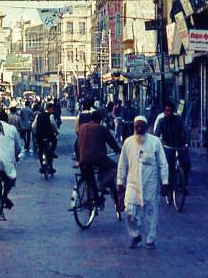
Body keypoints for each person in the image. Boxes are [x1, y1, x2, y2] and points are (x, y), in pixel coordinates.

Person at [117, 116, 169, 250]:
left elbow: (163, 163)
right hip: (132, 184)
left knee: (151, 213)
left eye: (142, 126)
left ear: (146, 127)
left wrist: (165, 182)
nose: (139, 129)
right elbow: (122, 164)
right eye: (137, 127)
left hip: (150, 184)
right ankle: (135, 235)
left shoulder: (155, 142)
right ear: (134, 127)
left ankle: (150, 239)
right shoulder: (128, 143)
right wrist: (119, 182)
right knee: (129, 211)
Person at [76, 110, 121, 201]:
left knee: (89, 175)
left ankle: (93, 196)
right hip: (99, 158)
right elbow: (112, 143)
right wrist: (119, 151)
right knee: (117, 168)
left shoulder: (81, 127)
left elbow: (77, 144)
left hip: (83, 158)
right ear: (100, 120)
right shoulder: (101, 128)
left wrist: (79, 157)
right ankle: (102, 184)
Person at [154, 101, 192, 192]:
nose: (169, 112)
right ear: (164, 111)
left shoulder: (178, 119)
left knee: (186, 164)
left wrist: (186, 143)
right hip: (168, 146)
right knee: (166, 165)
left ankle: (184, 185)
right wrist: (161, 141)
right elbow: (156, 135)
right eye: (167, 110)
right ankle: (165, 185)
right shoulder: (161, 121)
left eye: (170, 110)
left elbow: (184, 131)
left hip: (180, 145)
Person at [33, 102, 59, 174]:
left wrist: (35, 133)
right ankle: (52, 152)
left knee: (40, 151)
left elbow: (34, 126)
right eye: (52, 109)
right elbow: (54, 125)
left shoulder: (38, 116)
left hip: (40, 136)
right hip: (48, 136)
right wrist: (56, 132)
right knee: (54, 141)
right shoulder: (50, 116)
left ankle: (42, 166)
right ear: (50, 109)